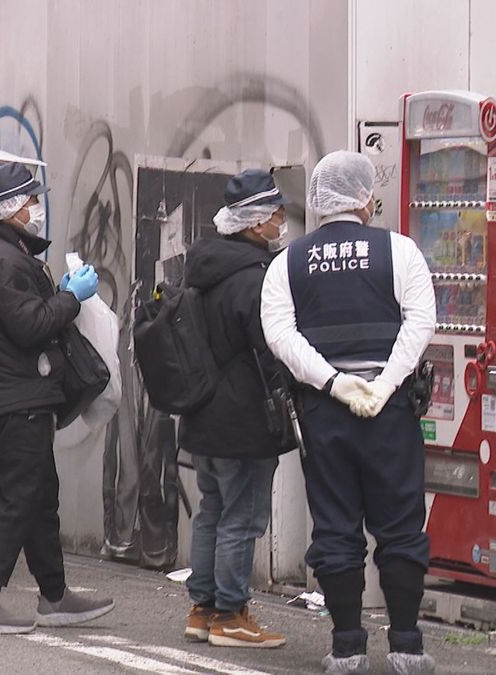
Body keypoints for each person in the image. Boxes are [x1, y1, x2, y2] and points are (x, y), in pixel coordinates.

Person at [261, 151, 437, 675]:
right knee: (402, 525)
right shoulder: (399, 252)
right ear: (364, 198)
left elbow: (280, 336)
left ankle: (346, 648)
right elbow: (421, 322)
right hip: (391, 413)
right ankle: (406, 645)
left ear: (318, 201)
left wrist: (334, 383)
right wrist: (383, 385)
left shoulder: (287, 262)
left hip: (324, 415)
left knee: (336, 527)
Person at [0, 162, 115, 634]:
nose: (38, 210)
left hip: (5, 394)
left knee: (40, 497)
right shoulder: (2, 260)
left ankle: (55, 596)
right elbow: (31, 326)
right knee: (19, 497)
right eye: (31, 203)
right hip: (15, 397)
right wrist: (70, 297)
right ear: (11, 210)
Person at [179, 169, 292, 649]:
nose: (282, 222)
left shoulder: (202, 268)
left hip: (202, 413)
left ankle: (202, 608)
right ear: (255, 223)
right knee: (242, 517)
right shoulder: (254, 278)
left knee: (212, 509)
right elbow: (270, 350)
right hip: (244, 417)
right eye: (276, 215)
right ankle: (230, 614)